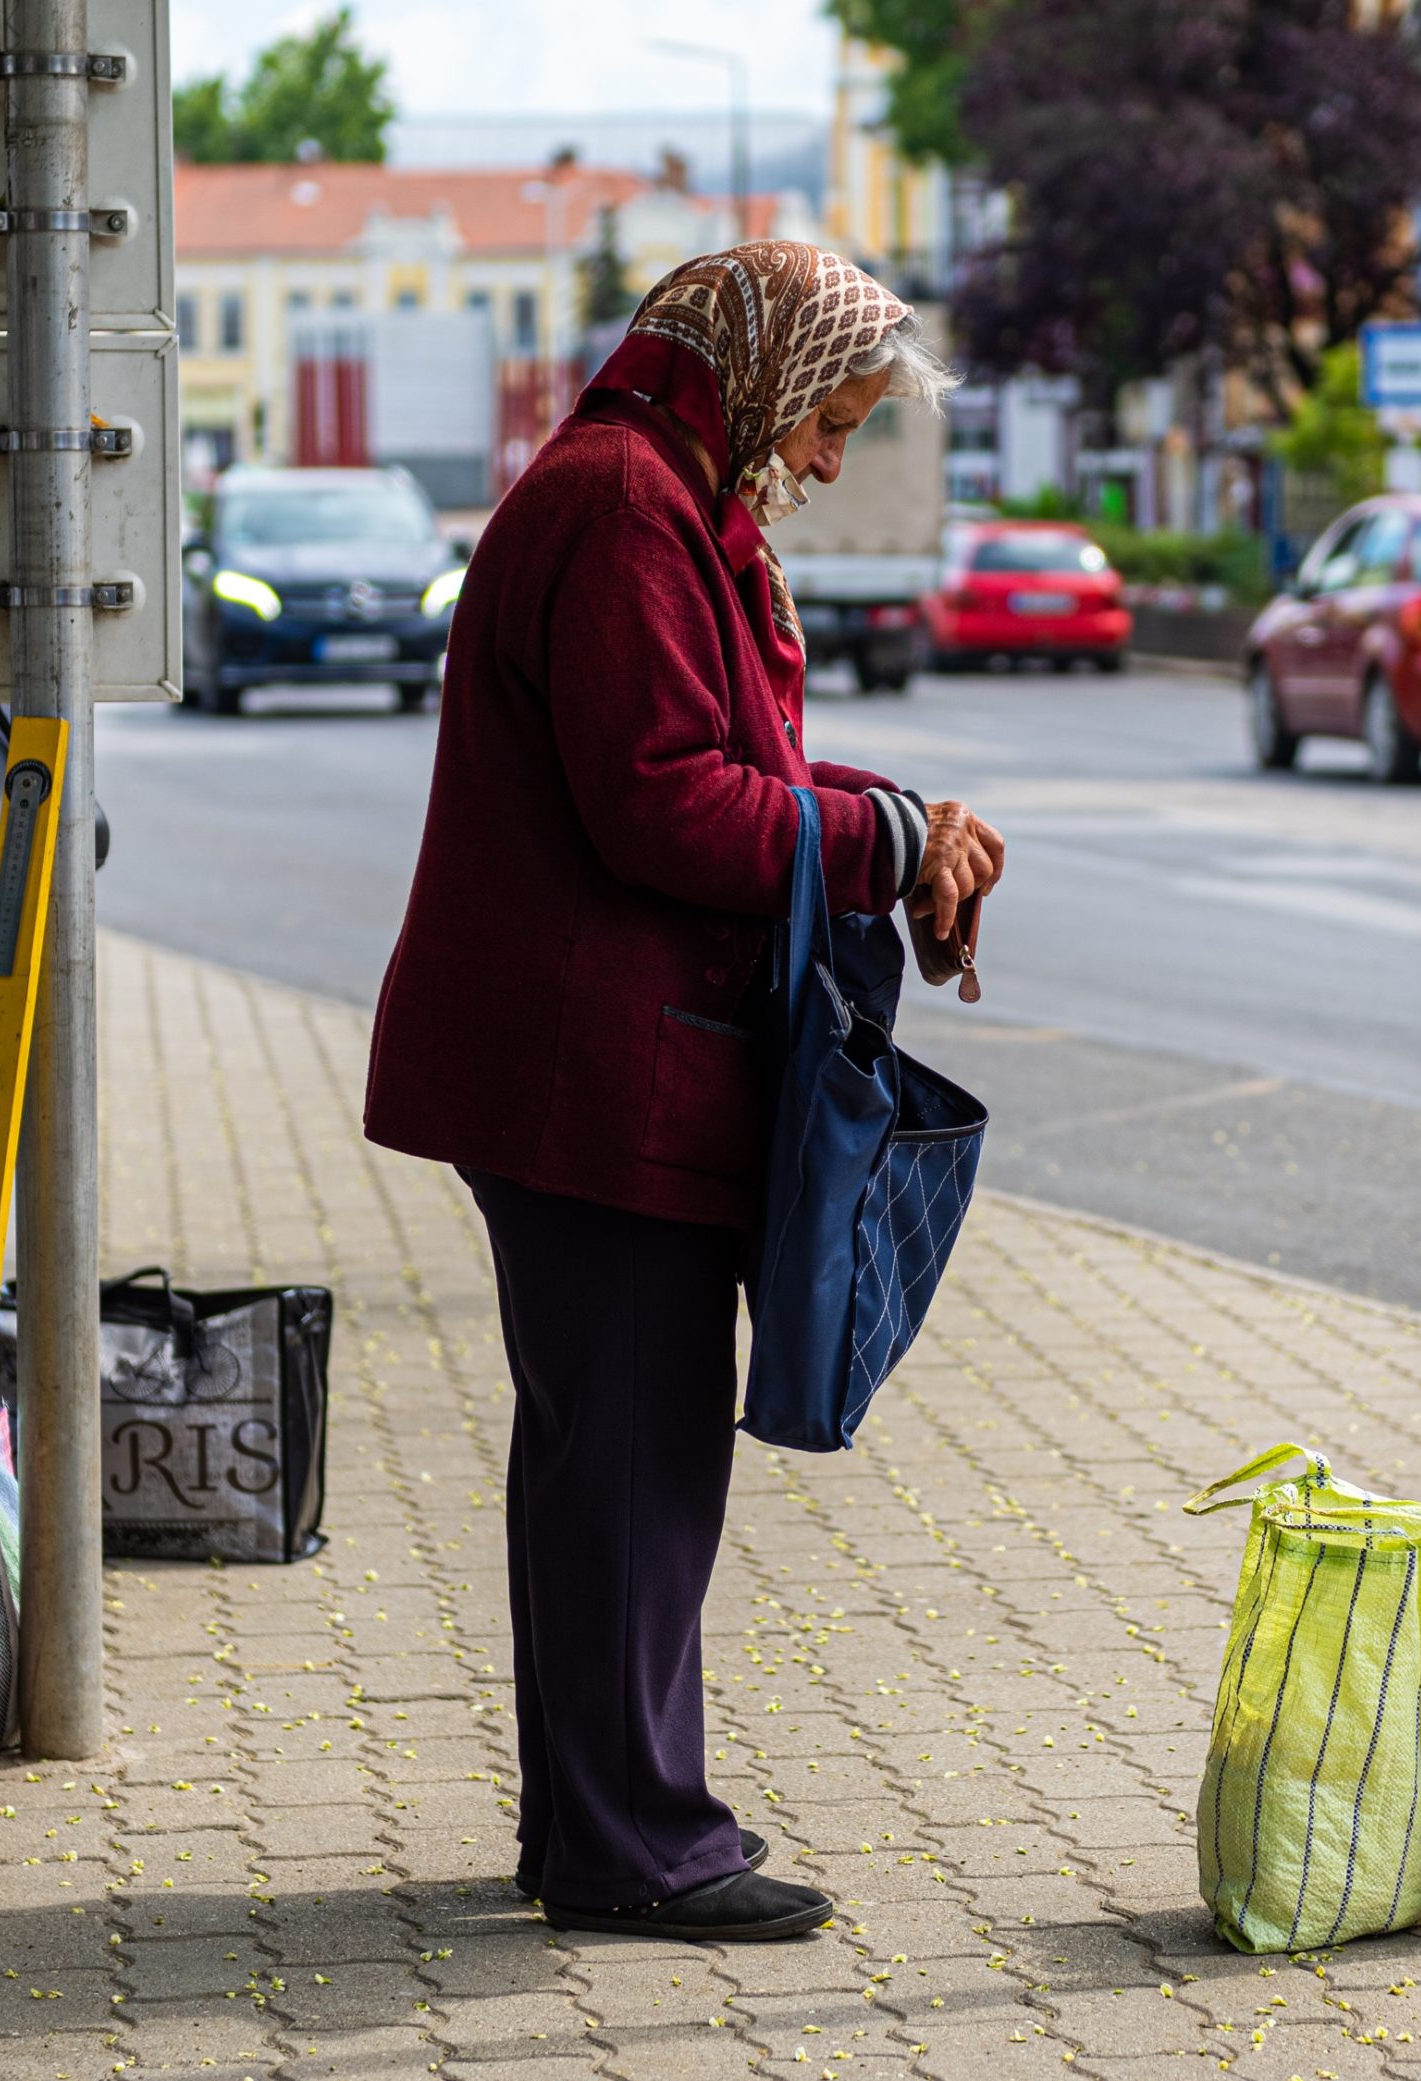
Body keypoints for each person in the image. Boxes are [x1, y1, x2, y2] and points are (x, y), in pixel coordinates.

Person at [363, 243, 994, 1944]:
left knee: (604, 1460)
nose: (824, 461)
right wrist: (874, 838)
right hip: (590, 1073)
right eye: (831, 424)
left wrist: (901, 818)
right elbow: (661, 801)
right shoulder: (626, 508)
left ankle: (596, 1824)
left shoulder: (643, 490)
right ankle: (635, 1842)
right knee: (632, 1462)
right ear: (767, 377)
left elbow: (738, 763)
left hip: (590, 1063)